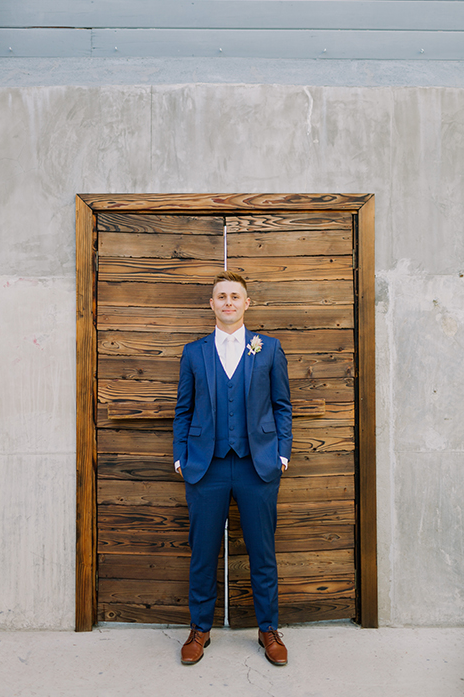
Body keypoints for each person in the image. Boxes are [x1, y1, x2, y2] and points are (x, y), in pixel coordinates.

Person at [173, 271, 292, 666]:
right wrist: (180, 456)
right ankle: (199, 629)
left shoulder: (269, 349)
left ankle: (268, 628)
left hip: (256, 466)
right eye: (221, 296)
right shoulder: (194, 352)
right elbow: (183, 410)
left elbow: (282, 406)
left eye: (234, 296)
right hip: (205, 467)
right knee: (203, 552)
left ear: (246, 303)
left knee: (262, 552)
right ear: (211, 304)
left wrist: (282, 453)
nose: (227, 302)